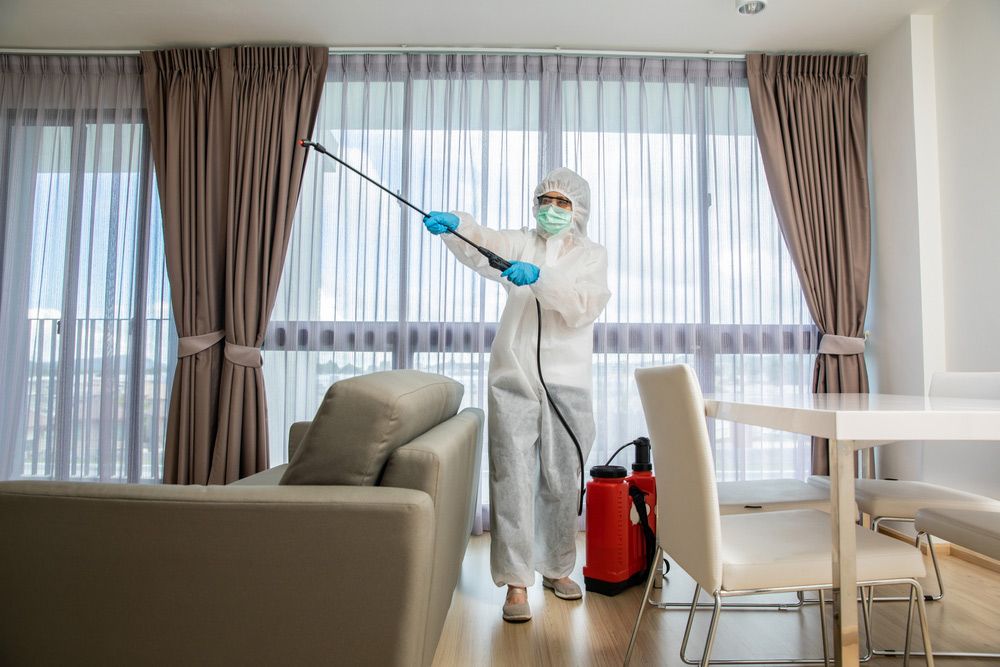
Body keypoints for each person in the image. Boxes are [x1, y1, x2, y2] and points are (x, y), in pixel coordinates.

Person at [422, 168, 611, 623]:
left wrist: (539, 279)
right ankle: (516, 583)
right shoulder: (522, 243)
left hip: (569, 382)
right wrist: (458, 227)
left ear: (578, 210)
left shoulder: (592, 256)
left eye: (562, 202)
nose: (551, 208)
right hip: (512, 374)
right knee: (512, 479)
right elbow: (484, 245)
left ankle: (557, 568)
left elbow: (581, 306)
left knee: (563, 481)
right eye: (545, 199)